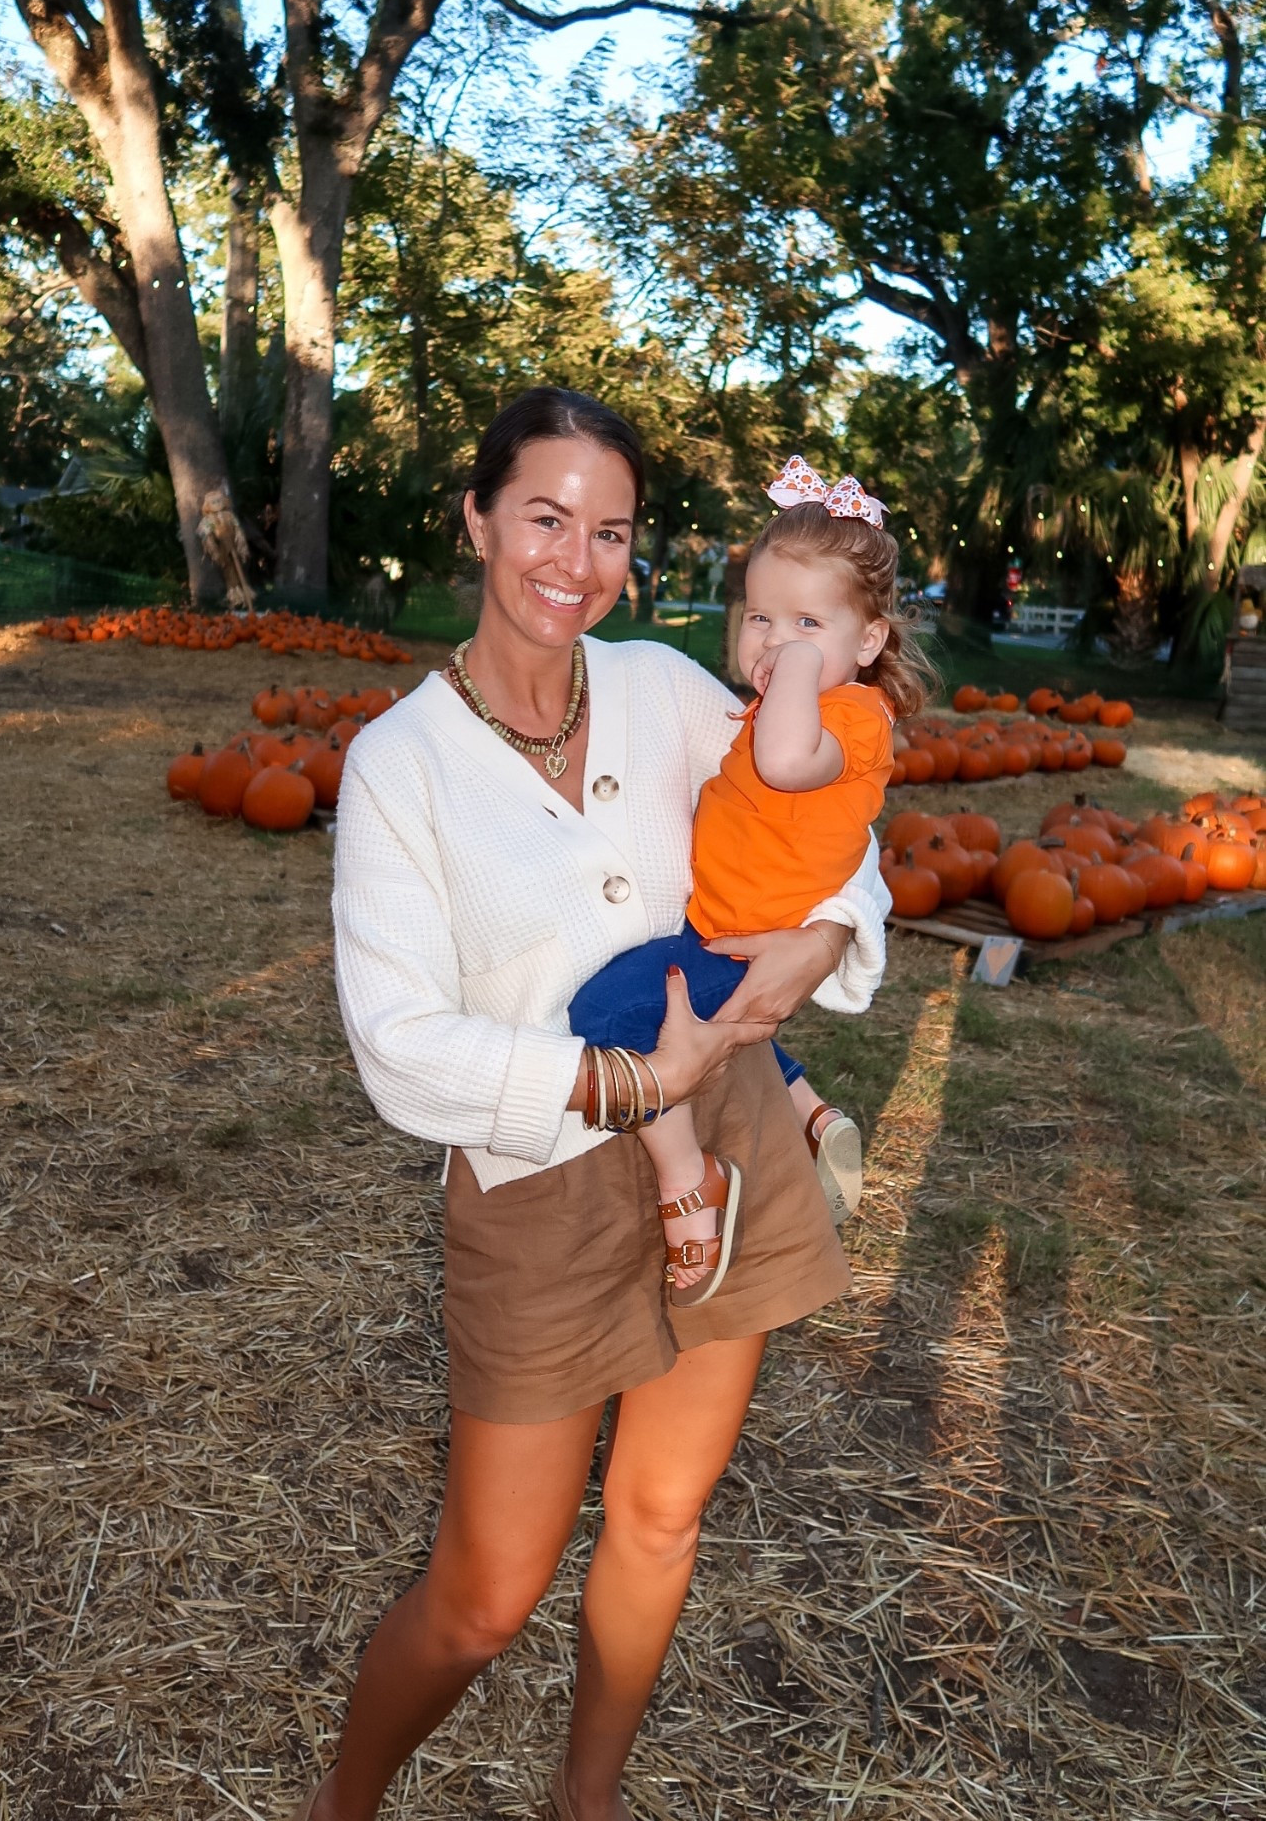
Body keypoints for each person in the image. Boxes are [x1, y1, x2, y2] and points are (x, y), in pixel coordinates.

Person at [300, 388, 889, 1821]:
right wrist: (631, 1080)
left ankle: (588, 1801)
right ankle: (343, 1806)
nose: (575, 558)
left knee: (661, 1518)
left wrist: (817, 942)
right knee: (486, 1597)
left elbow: (827, 835)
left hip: (728, 1143)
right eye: (545, 517)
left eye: (610, 530)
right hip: (540, 1186)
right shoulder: (400, 766)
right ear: (481, 518)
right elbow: (398, 1045)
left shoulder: (661, 689)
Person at [567, 454, 932, 1297]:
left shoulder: (851, 717)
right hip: (722, 927)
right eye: (760, 617)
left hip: (736, 938)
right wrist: (795, 657)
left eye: (809, 623)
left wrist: (796, 669)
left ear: (869, 642)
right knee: (686, 1016)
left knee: (608, 1015)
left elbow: (781, 764)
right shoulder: (787, 704)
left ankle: (690, 1179)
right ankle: (807, 1113)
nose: (774, 641)